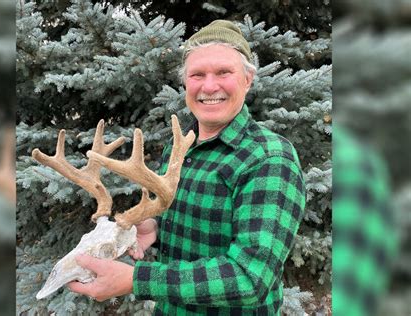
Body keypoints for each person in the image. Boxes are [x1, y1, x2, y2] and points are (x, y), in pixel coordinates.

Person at [68, 20, 306, 315]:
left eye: (223, 72)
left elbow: (249, 277)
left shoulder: (269, 158)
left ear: (248, 79)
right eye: (197, 75)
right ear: (186, 83)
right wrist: (153, 226)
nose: (209, 86)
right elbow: (197, 226)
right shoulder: (180, 148)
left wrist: (135, 279)